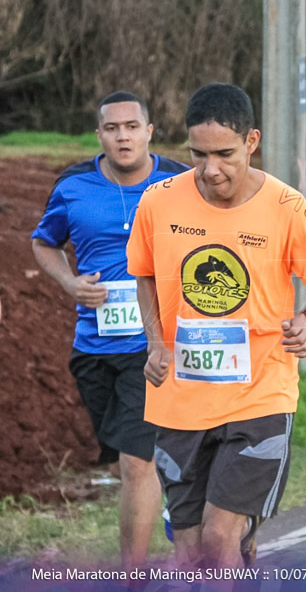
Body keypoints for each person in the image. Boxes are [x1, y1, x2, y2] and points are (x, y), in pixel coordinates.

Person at [125, 83, 306, 568]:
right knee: (190, 550)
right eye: (197, 155)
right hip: (180, 398)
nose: (210, 170)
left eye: (224, 153)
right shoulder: (158, 202)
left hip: (260, 395)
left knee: (220, 538)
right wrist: (155, 343)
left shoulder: (286, 207)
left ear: (252, 141)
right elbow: (145, 275)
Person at [31, 91, 189, 569]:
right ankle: (177, 492)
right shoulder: (74, 185)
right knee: (132, 457)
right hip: (94, 345)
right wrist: (69, 282)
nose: (123, 136)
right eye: (112, 128)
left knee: (135, 463)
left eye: (132, 126)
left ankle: (131, 575)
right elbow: (44, 242)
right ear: (99, 135)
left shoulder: (181, 181)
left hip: (156, 345)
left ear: (149, 131)